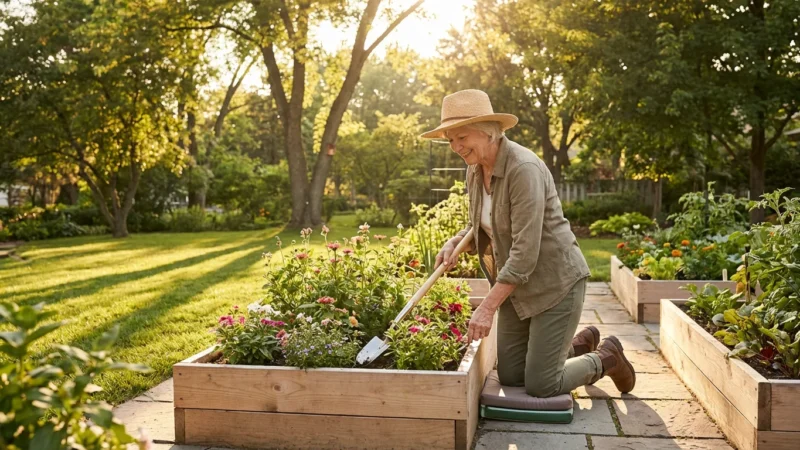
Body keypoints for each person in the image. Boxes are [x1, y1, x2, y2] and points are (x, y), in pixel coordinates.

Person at [422, 89, 635, 397]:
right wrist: (454, 243)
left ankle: (606, 357)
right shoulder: (475, 169)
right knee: (510, 375)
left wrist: (487, 307)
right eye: (450, 140)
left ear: (488, 133)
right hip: (518, 288)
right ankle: (578, 343)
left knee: (542, 384)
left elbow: (524, 253)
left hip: (555, 283)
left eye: (462, 137)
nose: (455, 147)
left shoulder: (523, 169)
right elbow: (481, 224)